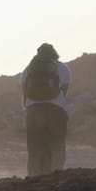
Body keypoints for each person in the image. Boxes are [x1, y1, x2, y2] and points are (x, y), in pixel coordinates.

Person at [21, 43, 71, 176]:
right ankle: (56, 177)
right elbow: (64, 92)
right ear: (54, 53)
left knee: (34, 150)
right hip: (56, 111)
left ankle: (33, 179)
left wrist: (27, 111)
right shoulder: (63, 68)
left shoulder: (28, 69)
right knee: (57, 146)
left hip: (33, 112)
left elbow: (25, 94)